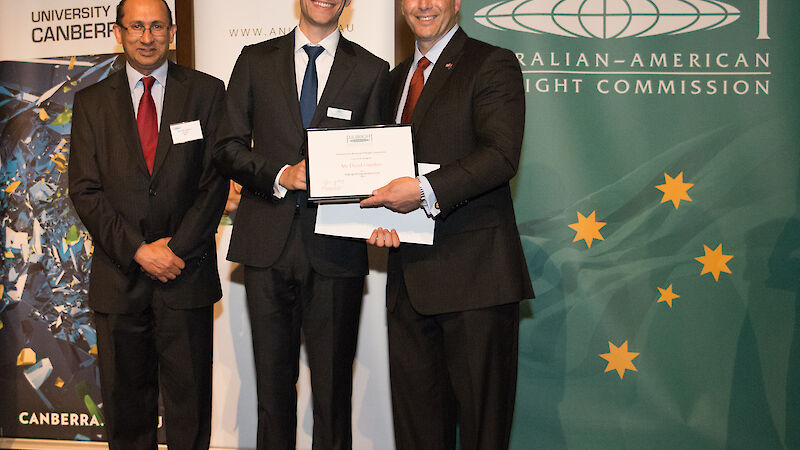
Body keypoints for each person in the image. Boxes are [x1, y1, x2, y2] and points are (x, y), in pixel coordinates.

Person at [213, 1, 389, 448]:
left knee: (333, 394)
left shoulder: (371, 69)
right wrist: (279, 174)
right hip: (265, 244)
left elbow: (380, 159)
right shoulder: (255, 59)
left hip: (336, 248)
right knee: (272, 391)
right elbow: (227, 146)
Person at [360, 0, 534, 448]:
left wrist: (420, 191)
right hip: (408, 284)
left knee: (482, 432)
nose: (423, 5)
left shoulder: (492, 63)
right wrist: (378, 218)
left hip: (476, 281)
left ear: (456, 3)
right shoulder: (394, 80)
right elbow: (382, 168)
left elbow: (500, 156)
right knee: (417, 434)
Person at [67, 0, 227, 447]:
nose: (146, 35)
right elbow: (84, 190)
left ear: (172, 33)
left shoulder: (207, 93)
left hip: (186, 276)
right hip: (120, 282)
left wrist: (175, 251)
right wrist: (139, 250)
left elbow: (214, 184)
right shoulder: (91, 103)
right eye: (136, 26)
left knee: (190, 411)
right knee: (126, 413)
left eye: (157, 26)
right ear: (118, 33)